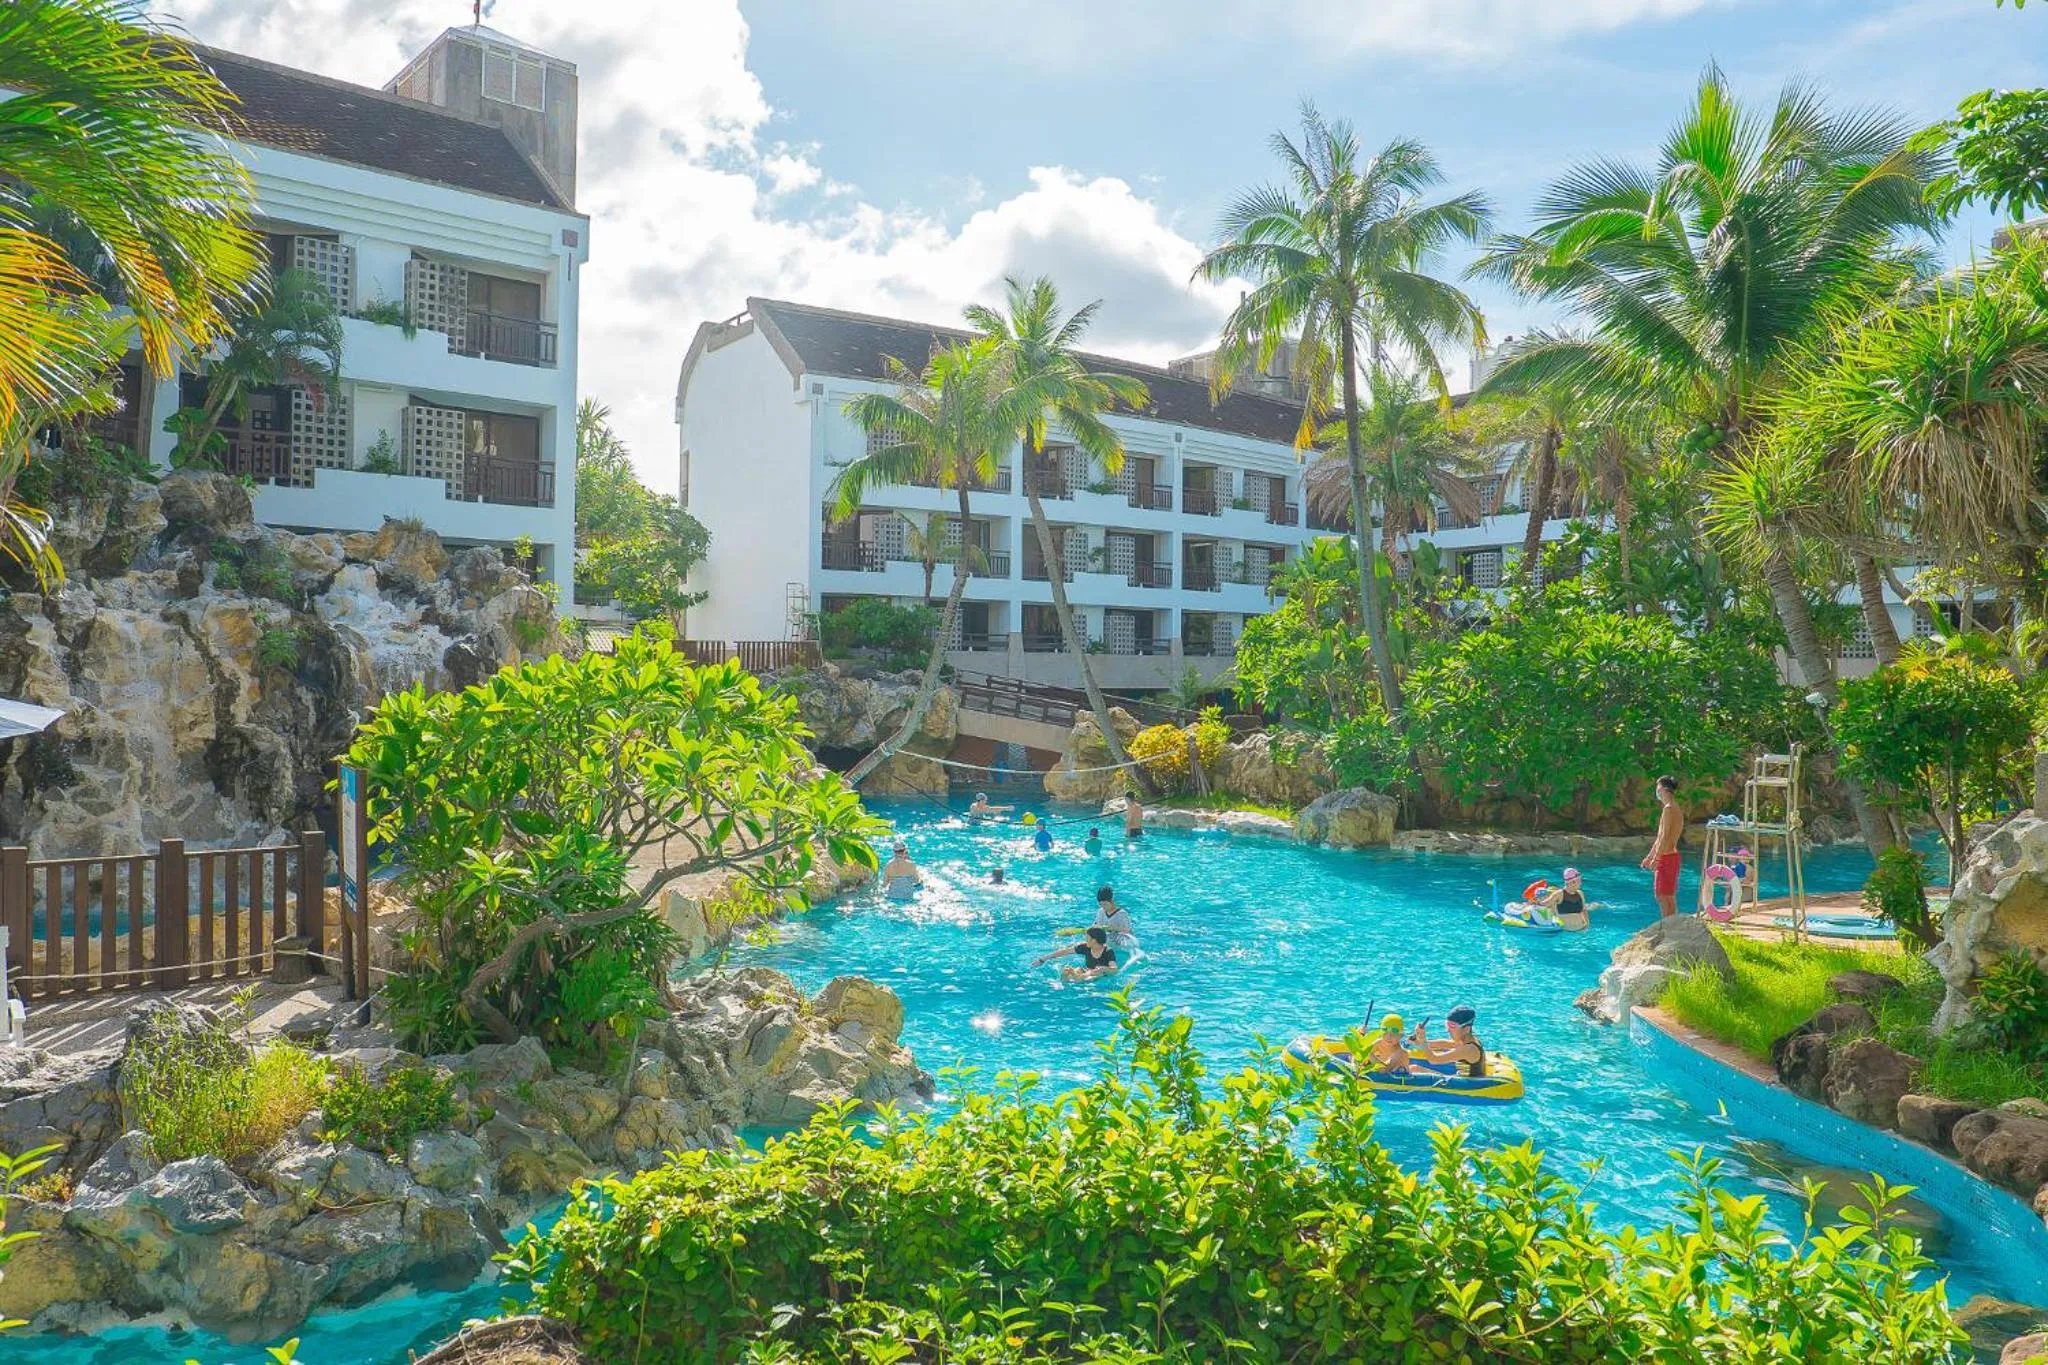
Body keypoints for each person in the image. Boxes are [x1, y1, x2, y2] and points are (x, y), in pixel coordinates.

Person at [1640, 774, 1684, 919]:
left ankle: (1668, 925)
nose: (1656, 791)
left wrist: (1657, 859)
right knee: (1666, 895)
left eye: (1658, 787)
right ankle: (1671, 923)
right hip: (1670, 856)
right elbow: (1660, 838)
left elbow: (1664, 837)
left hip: (1667, 857)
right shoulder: (1673, 808)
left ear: (1664, 789)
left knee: (1663, 895)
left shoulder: (1669, 809)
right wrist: (1649, 856)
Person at [1409, 1006, 1486, 1077]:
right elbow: (1445, 1044)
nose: (1448, 1030)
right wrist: (1418, 1042)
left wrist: (1423, 1041)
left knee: (1414, 1069)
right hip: (1462, 1080)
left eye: (1452, 1026)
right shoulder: (1468, 1039)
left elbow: (1434, 1060)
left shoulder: (1469, 1049)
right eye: (1447, 1025)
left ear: (1466, 1029)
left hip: (1469, 1086)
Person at [1032, 926, 1118, 981]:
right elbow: (1065, 952)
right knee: (1067, 972)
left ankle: (1077, 977)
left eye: (1087, 938)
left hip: (1099, 975)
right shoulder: (1085, 947)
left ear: (1094, 940)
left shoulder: (1107, 951)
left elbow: (1114, 969)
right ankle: (1069, 979)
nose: (1085, 940)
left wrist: (1104, 969)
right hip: (1086, 970)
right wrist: (1042, 959)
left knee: (1093, 973)